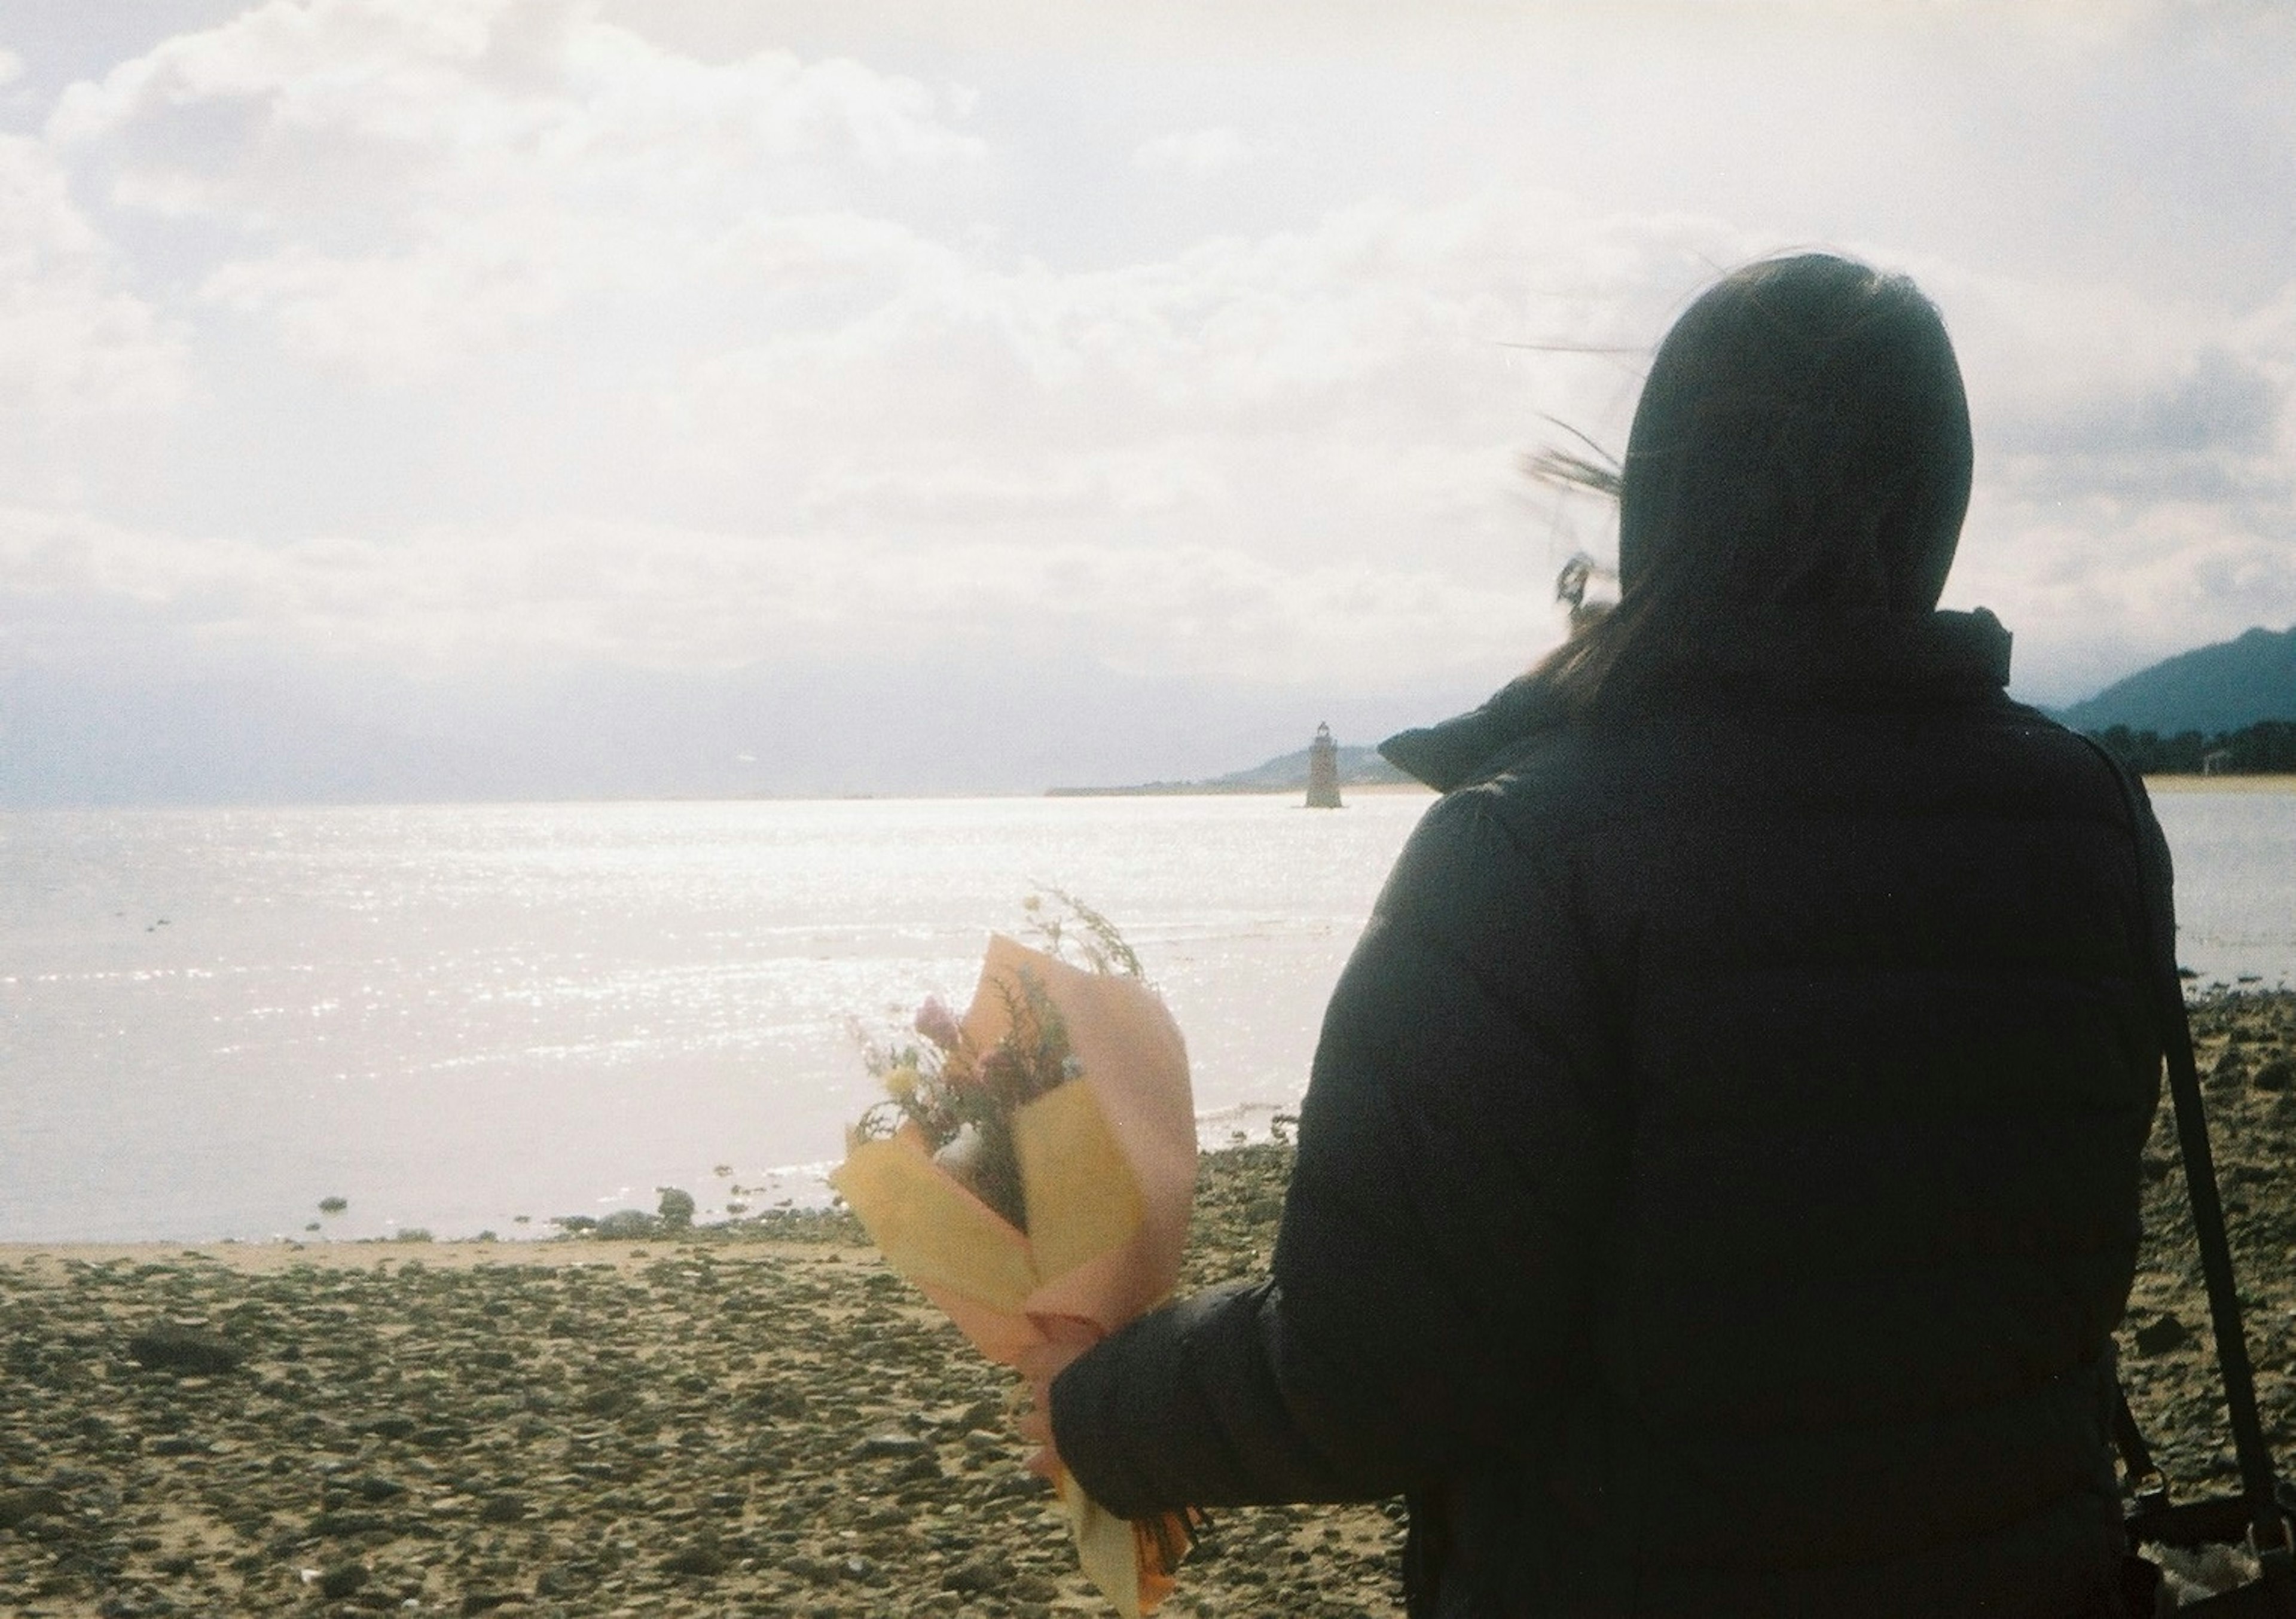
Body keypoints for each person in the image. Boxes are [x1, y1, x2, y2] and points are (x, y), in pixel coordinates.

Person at [1030, 253, 2173, 1617]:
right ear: (1939, 496)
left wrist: (1095, 1408)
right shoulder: (2088, 818)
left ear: (1669, 497)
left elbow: (1377, 1370)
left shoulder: (1526, 848)